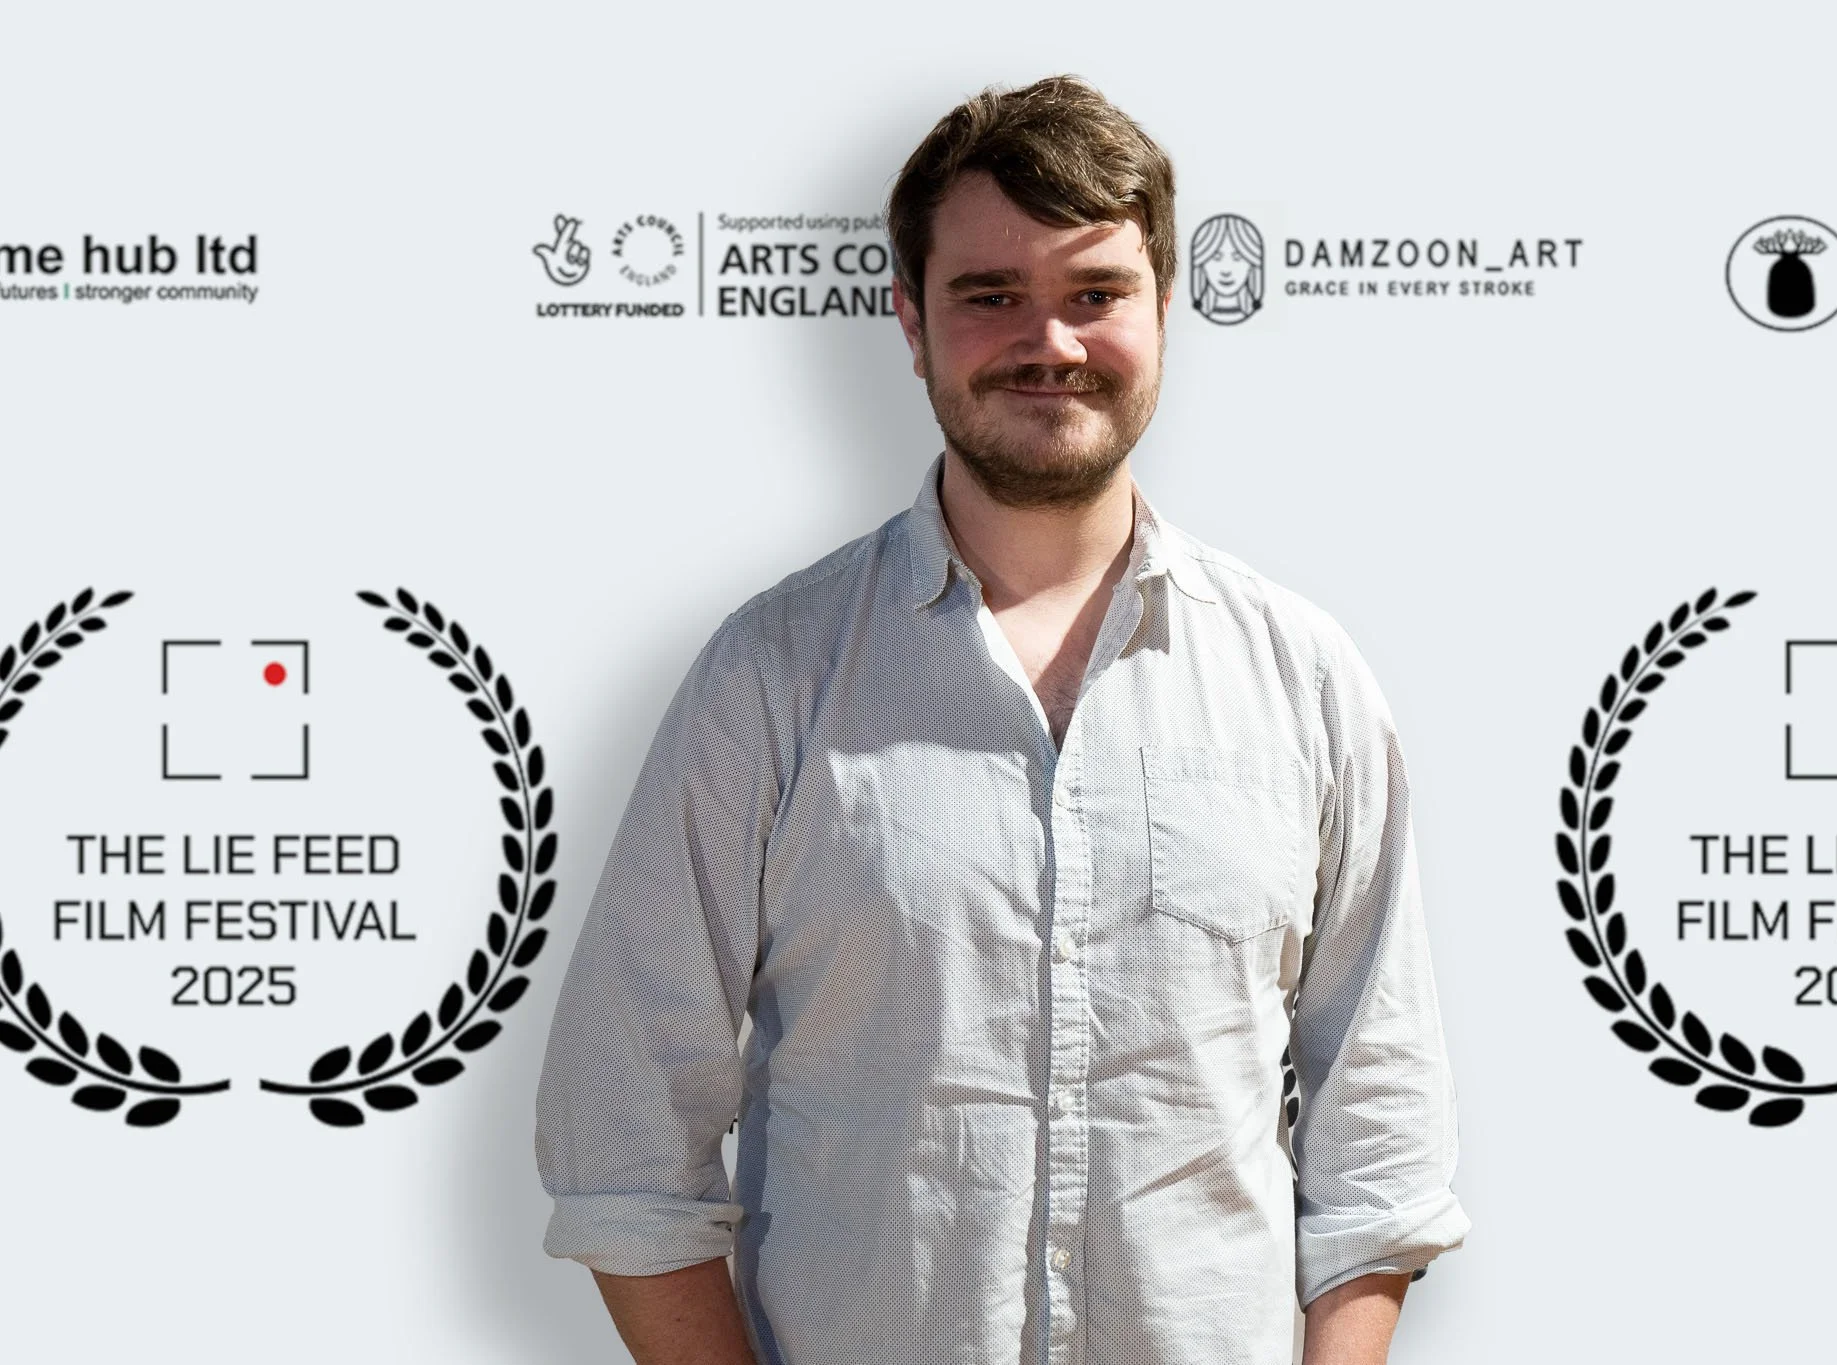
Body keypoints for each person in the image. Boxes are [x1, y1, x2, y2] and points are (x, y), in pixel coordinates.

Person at [532, 73, 1469, 1365]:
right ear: (910, 322)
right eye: (990, 296)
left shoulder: (1307, 688)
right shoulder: (767, 682)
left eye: (1095, 293)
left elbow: (1380, 1155)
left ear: (1165, 310)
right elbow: (621, 1132)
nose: (1053, 340)